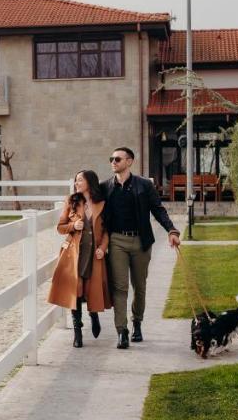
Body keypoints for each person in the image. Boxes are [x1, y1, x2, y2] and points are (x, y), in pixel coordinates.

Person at [102, 146, 180, 349]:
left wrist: (172, 230)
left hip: (140, 242)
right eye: (111, 158)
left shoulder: (144, 185)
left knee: (140, 286)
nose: (113, 162)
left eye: (117, 159)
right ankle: (122, 331)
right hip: (117, 241)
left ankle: (137, 322)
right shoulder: (106, 187)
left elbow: (158, 209)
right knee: (120, 287)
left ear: (129, 161)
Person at [48, 169, 112, 348]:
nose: (77, 183)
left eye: (80, 180)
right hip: (74, 254)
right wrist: (73, 225)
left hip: (94, 254)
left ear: (90, 182)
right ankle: (77, 333)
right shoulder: (71, 201)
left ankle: (94, 316)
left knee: (91, 288)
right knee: (75, 290)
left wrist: (103, 247)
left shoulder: (102, 203)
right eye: (76, 181)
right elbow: (60, 227)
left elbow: (107, 231)